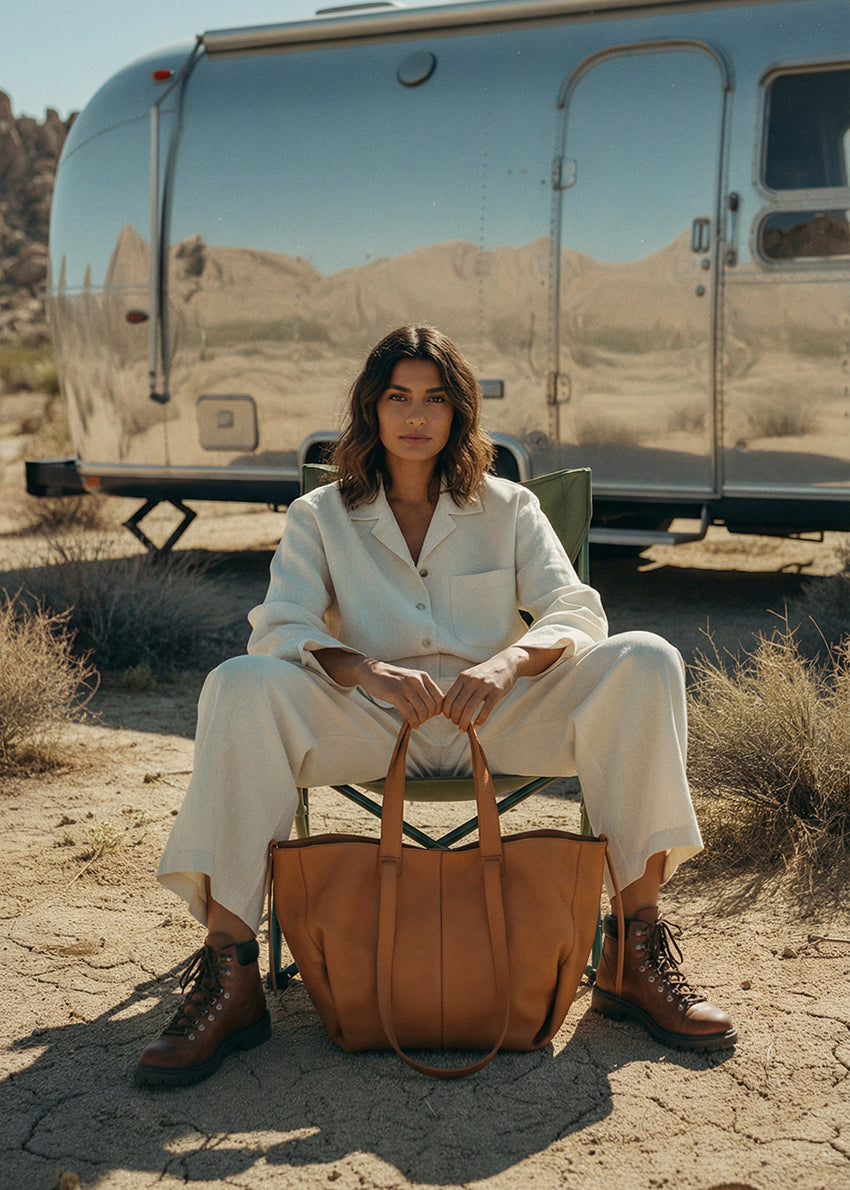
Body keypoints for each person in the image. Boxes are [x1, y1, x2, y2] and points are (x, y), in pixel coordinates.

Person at [136, 325, 736, 1087]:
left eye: (435, 398)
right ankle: (232, 976)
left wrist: (510, 661)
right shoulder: (319, 515)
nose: (416, 415)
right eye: (398, 397)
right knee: (239, 684)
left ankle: (633, 952)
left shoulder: (509, 506)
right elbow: (278, 627)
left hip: (503, 723)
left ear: (458, 414)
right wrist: (368, 671)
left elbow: (576, 613)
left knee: (646, 658)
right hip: (374, 725)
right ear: (371, 409)